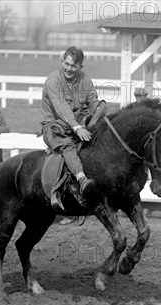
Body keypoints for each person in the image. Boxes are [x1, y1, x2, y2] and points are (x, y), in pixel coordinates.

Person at [40, 45, 107, 208]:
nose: (69, 69)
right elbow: (60, 107)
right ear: (62, 61)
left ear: (80, 67)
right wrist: (77, 127)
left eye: (73, 66)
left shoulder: (85, 80)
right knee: (68, 146)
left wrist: (99, 109)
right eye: (67, 64)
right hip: (55, 127)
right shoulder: (53, 81)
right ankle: (81, 179)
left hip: (80, 125)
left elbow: (93, 102)